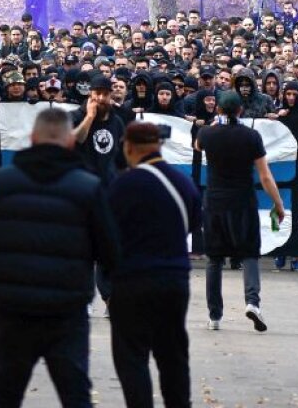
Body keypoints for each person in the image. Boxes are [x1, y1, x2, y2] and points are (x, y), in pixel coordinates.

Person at [0, 108, 119, 408]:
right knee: (75, 395)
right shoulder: (87, 187)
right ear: (70, 141)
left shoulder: (2, 182)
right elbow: (110, 253)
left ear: (33, 139)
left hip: (13, 307)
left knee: (5, 395)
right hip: (67, 309)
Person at [108, 122, 202, 408]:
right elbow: (195, 224)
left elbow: (105, 232)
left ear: (128, 147)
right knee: (173, 355)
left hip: (132, 280)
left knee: (131, 356)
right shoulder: (183, 182)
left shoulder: (123, 184)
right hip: (174, 280)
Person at [195, 90, 286, 332]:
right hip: (243, 202)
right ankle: (252, 302)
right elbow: (265, 176)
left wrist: (214, 124)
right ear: (240, 111)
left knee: (214, 259)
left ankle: (215, 315)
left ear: (219, 110)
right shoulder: (252, 137)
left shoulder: (207, 134)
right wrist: (278, 203)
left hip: (214, 202)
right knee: (249, 254)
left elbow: (197, 145)